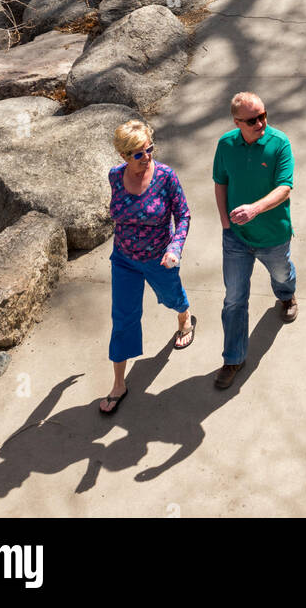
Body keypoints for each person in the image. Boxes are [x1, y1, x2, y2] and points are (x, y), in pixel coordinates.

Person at [99, 119, 194, 416]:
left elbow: (184, 215)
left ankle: (185, 316)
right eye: (138, 154)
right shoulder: (115, 176)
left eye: (149, 149)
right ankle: (118, 384)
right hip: (124, 260)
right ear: (124, 156)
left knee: (171, 297)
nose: (147, 156)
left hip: (159, 258)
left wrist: (174, 248)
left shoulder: (165, 176)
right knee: (123, 318)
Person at [212, 92, 297, 390]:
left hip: (273, 235)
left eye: (263, 115)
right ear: (237, 123)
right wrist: (225, 223)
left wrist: (256, 208)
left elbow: (285, 187)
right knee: (234, 299)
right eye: (252, 120)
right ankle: (233, 358)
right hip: (235, 237)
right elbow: (220, 182)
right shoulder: (225, 144)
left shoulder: (279, 143)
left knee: (281, 273)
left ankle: (287, 295)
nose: (261, 123)